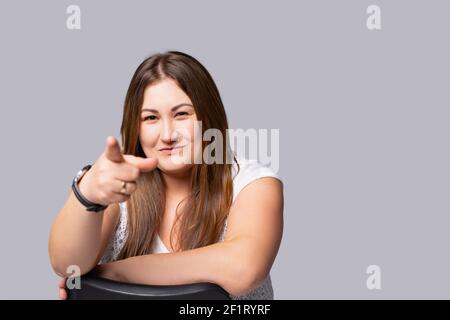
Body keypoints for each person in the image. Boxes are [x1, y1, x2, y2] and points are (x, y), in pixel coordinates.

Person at [48, 51, 284, 300]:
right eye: (151, 118)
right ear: (135, 128)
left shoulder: (253, 183)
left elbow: (242, 268)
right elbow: (67, 265)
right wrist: (87, 194)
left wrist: (115, 274)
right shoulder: (119, 186)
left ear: (209, 117)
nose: (168, 134)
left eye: (181, 114)